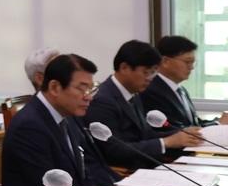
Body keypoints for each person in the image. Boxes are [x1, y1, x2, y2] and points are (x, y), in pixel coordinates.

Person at [0, 53, 120, 186]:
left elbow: (83, 175)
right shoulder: (29, 126)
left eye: (91, 89)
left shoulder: (66, 114)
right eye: (81, 89)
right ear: (55, 87)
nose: (88, 97)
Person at [85, 40, 199, 169]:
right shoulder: (103, 100)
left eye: (153, 72)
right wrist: (166, 142)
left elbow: (145, 134)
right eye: (146, 72)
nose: (150, 78)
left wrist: (180, 134)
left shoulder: (134, 93)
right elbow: (114, 150)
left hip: (144, 166)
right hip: (124, 171)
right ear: (124, 68)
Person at [146, 35, 228, 128]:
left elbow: (194, 125)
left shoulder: (180, 90)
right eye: (187, 62)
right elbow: (176, 131)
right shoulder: (152, 90)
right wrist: (218, 124)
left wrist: (226, 120)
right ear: (165, 61)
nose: (191, 67)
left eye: (193, 62)